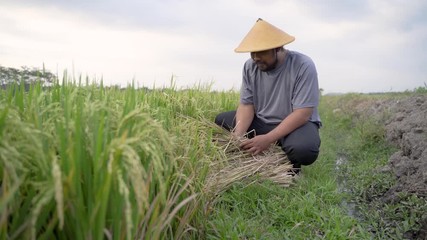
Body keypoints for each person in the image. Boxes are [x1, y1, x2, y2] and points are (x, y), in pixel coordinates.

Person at [215, 18, 321, 172]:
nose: (256, 57)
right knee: (221, 120)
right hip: (262, 121)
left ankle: (291, 162)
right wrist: (237, 137)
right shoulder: (250, 66)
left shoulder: (303, 65)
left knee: (304, 150)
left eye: (262, 52)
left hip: (295, 125)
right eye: (253, 52)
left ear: (278, 48)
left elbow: (302, 114)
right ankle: (272, 143)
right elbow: (246, 105)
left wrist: (269, 139)